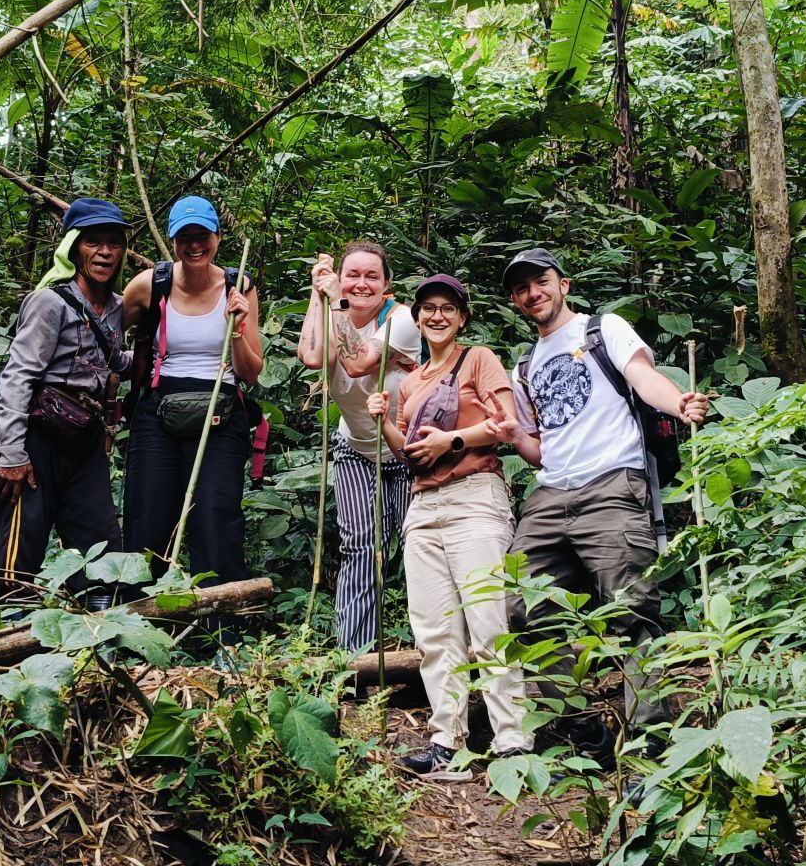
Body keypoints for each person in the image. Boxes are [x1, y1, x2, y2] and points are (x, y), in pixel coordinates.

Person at [496, 248, 709, 753]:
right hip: (551, 491)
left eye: (541, 281)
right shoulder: (524, 363)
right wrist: (513, 436)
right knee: (523, 605)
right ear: (515, 300)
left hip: (613, 482)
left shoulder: (603, 329)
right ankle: (579, 726)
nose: (533, 293)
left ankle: (651, 737)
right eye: (522, 288)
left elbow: (642, 378)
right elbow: (539, 448)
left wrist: (678, 402)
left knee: (631, 609)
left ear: (562, 284)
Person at [367, 274, 529, 780]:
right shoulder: (411, 381)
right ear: (416, 318)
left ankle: (512, 742)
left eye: (447, 309)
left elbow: (506, 422)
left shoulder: (478, 359)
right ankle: (448, 742)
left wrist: (451, 441)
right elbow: (408, 456)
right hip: (423, 506)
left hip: (475, 498)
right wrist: (385, 423)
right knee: (435, 631)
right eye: (428, 308)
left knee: (488, 624)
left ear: (462, 317)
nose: (437, 316)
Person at [0, 198, 132, 608]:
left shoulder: (117, 306)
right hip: (38, 436)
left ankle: (99, 635)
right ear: (73, 247)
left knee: (99, 537)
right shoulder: (49, 302)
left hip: (85, 438)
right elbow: (19, 374)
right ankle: (10, 632)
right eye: (93, 242)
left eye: (113, 243)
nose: (105, 251)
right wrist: (11, 452)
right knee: (24, 538)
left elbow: (106, 361)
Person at [122, 195, 264, 585]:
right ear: (172, 241)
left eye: (202, 234)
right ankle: (139, 618)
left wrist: (236, 329)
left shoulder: (240, 287)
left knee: (214, 517)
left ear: (218, 236)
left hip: (221, 411)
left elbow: (251, 373)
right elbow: (104, 331)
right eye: (185, 236)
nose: (194, 244)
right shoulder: (152, 284)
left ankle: (222, 627)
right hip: (158, 410)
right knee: (147, 515)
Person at [296, 241, 421, 652]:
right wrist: (319, 294)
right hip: (355, 450)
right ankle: (355, 657)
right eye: (352, 275)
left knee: (418, 547)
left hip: (408, 451)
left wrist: (335, 301)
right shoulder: (334, 310)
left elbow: (355, 362)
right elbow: (314, 357)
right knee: (360, 547)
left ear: (387, 285)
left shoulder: (402, 320)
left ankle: (435, 648)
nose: (361, 284)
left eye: (372, 276)